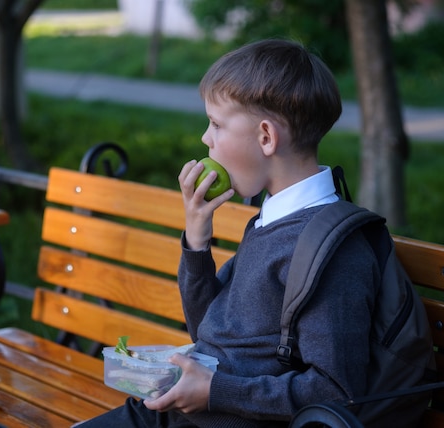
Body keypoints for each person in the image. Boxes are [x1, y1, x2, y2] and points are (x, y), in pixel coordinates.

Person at [76, 38, 378, 428]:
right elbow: (210, 331)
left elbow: (337, 393)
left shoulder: (333, 249)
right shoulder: (271, 219)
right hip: (192, 411)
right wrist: (197, 239)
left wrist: (216, 391)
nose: (206, 138)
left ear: (266, 137)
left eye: (217, 124)